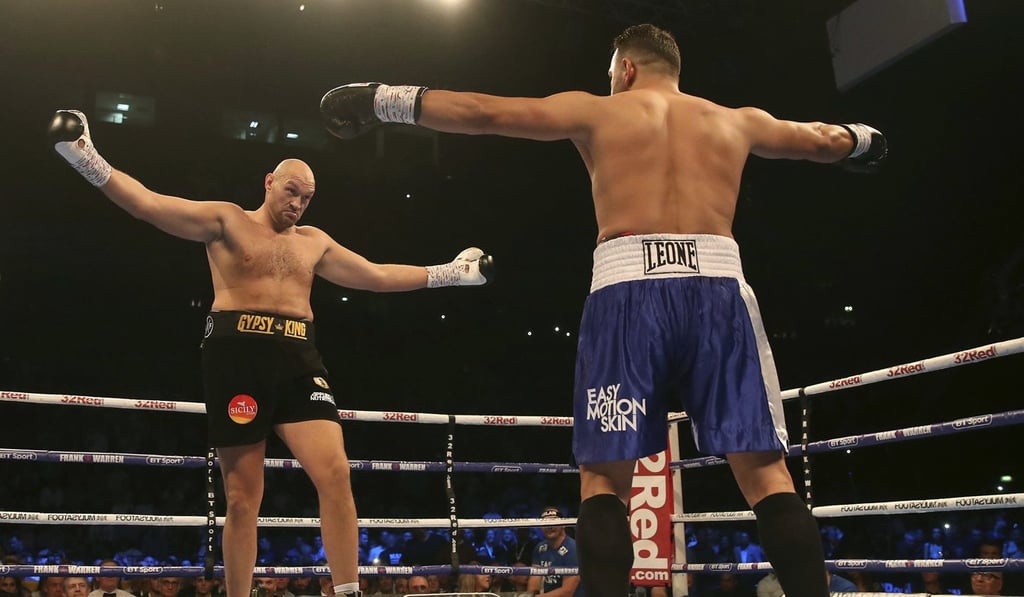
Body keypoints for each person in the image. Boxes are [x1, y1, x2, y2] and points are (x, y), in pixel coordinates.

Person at [319, 22, 886, 597]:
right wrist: (863, 139)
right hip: (718, 290)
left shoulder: (598, 112)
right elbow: (821, 139)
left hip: (625, 291)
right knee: (765, 473)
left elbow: (483, 111)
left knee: (604, 482)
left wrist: (381, 100)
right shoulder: (737, 119)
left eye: (610, 70)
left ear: (628, 67)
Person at [48, 109, 494, 597]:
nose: (298, 203)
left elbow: (378, 274)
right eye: (291, 191)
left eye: (307, 197)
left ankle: (347, 591)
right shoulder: (226, 220)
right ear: (269, 182)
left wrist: (450, 273)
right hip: (236, 356)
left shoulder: (313, 242)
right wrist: (85, 158)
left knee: (336, 473)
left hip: (300, 360)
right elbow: (150, 205)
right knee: (242, 499)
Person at [528, 507, 582, 597]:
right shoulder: (540, 548)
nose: (550, 526)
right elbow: (534, 580)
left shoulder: (573, 549)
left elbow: (567, 592)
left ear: (563, 524)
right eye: (546, 523)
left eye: (554, 522)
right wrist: (530, 595)